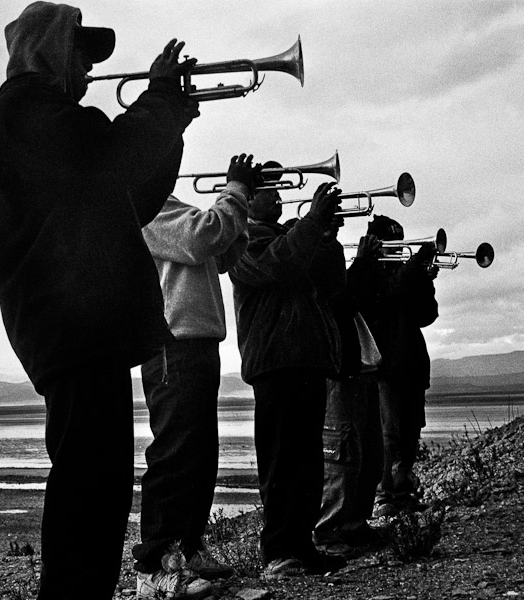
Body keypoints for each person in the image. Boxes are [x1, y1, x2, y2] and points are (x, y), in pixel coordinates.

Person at [0, 3, 200, 599]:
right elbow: (111, 161)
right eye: (80, 53)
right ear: (51, 54)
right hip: (70, 325)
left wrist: (170, 122)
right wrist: (156, 104)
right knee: (89, 484)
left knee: (100, 483)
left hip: (81, 326)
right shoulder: (27, 114)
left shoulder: (48, 120)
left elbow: (133, 196)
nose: (86, 68)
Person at [132, 154, 254, 598]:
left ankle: (188, 546)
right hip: (172, 343)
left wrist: (241, 215)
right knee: (174, 454)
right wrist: (235, 192)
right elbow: (202, 238)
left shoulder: (172, 206)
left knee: (199, 454)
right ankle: (154, 568)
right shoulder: (146, 206)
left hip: (196, 342)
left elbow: (220, 256)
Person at [228, 166, 348, 579]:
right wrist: (313, 222)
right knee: (282, 461)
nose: (280, 196)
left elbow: (332, 284)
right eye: (271, 189)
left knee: (307, 462)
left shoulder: (291, 235)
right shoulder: (242, 239)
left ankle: (301, 545)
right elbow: (278, 265)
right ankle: (279, 552)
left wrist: (327, 235)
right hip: (275, 361)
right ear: (248, 197)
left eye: (282, 188)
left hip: (307, 358)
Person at [357, 216, 439, 517]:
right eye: (391, 243)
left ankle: (402, 489)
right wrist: (414, 268)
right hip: (385, 367)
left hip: (411, 364)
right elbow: (387, 294)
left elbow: (427, 315)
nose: (397, 249)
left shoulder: (406, 274)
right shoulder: (368, 272)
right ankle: (384, 495)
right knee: (388, 434)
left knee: (410, 431)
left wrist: (425, 280)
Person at [313, 234, 386, 557]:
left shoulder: (343, 272)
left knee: (368, 455)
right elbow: (340, 300)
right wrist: (362, 263)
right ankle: (328, 530)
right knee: (340, 455)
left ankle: (354, 522)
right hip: (340, 373)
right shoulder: (318, 273)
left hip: (362, 371)